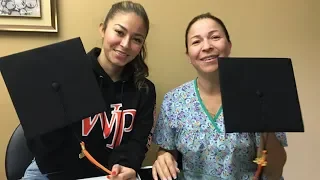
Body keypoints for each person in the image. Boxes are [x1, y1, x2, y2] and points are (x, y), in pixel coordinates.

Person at [22, 1, 156, 180]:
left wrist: (125, 164)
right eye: (119, 32)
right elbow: (42, 145)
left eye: (136, 39)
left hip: (107, 173)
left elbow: (138, 142)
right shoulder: (66, 76)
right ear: (102, 29)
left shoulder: (144, 90)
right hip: (54, 171)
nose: (125, 44)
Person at [151, 12, 287, 180]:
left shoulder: (258, 94)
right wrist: (162, 157)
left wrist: (266, 123)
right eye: (196, 41)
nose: (206, 46)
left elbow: (274, 172)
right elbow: (167, 149)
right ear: (188, 56)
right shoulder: (174, 101)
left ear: (229, 46)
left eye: (214, 37)